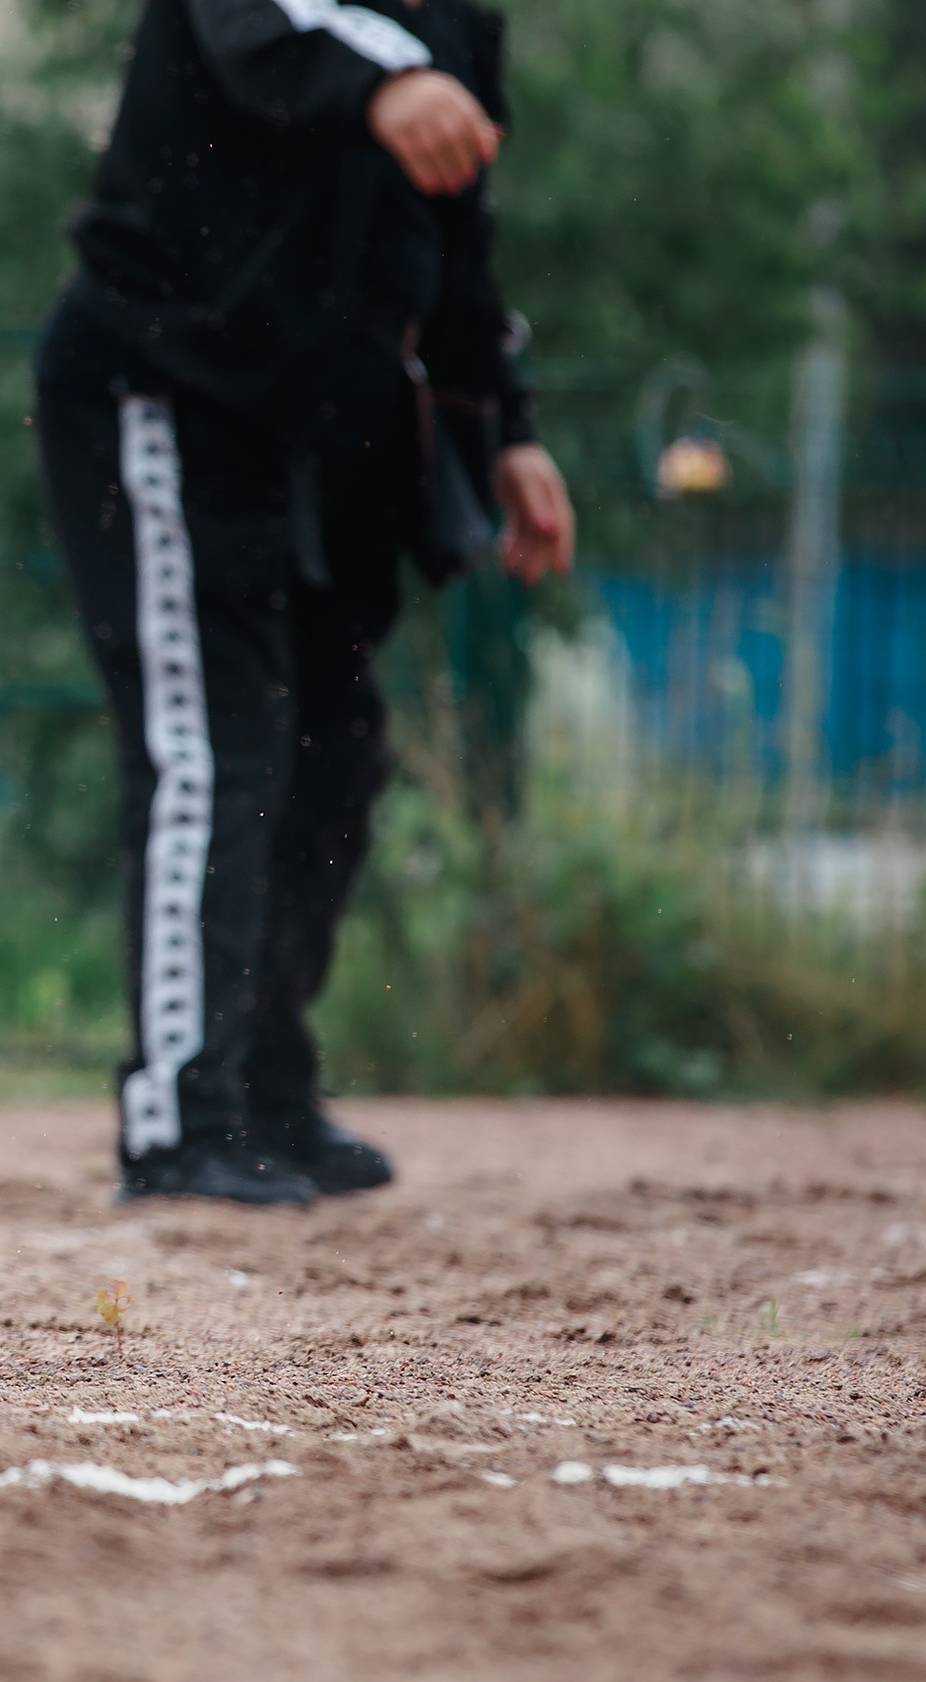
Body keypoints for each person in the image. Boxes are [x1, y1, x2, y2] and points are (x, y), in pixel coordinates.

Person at [33, 0, 575, 1205]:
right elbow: (260, 32)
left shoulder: (460, 21)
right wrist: (386, 82)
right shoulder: (346, 40)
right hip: (164, 380)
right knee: (208, 752)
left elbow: (456, 238)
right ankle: (181, 1115)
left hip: (325, 433)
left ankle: (268, 1093)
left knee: (332, 755)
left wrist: (508, 431)